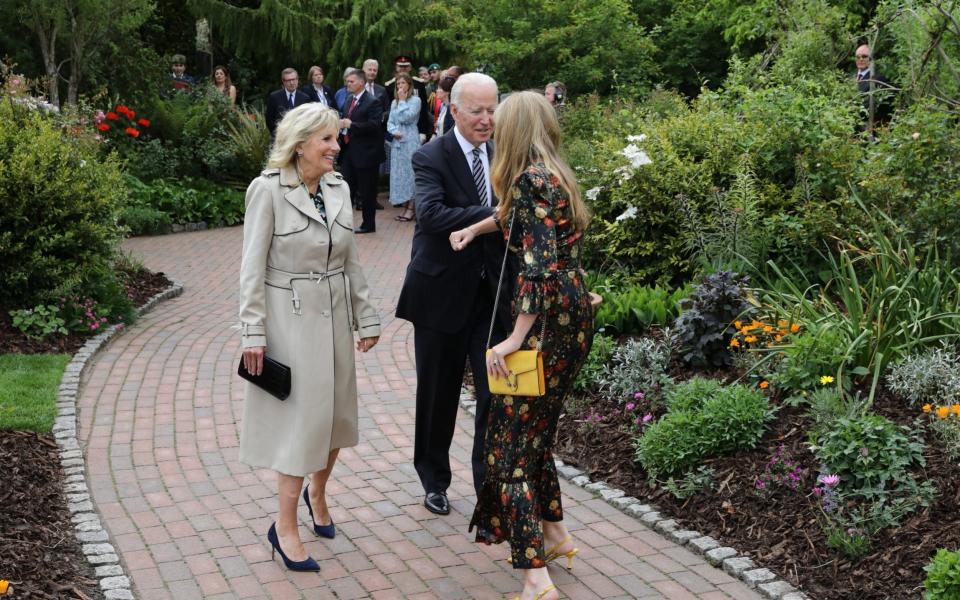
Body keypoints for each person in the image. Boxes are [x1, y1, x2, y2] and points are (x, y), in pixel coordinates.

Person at [448, 90, 593, 600]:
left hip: (545, 324)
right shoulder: (556, 176)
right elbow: (519, 223)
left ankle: (535, 578)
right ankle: (556, 536)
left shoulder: (528, 180)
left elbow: (534, 268)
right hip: (575, 317)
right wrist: (474, 228)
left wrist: (512, 339)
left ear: (512, 130)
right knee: (536, 436)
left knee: (506, 447)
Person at [238, 102, 381, 572]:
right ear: (299, 145)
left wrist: (367, 316)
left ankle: (317, 492)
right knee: (302, 423)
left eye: (335, 138)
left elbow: (351, 260)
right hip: (289, 319)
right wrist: (253, 332)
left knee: (337, 417)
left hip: (336, 315)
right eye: (326, 140)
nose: (336, 147)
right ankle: (284, 526)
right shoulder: (268, 190)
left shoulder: (337, 188)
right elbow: (250, 270)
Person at [395, 73, 512, 516]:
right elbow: (430, 215)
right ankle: (433, 479)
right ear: (455, 110)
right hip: (440, 293)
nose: (486, 120)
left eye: (492, 110)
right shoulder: (431, 156)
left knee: (493, 393)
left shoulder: (506, 154)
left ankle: (489, 484)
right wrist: (498, 212)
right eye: (477, 111)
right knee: (438, 393)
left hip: (490, 294)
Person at [339, 69, 385, 233]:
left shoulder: (373, 101)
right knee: (346, 189)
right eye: (347, 81)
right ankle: (344, 224)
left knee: (367, 192)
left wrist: (351, 125)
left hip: (367, 155)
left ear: (361, 82)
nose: (347, 84)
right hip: (349, 152)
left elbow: (374, 126)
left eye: (351, 81)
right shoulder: (349, 99)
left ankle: (368, 224)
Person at [387, 73, 421, 222]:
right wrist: (394, 132)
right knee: (400, 175)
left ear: (409, 85)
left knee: (410, 174)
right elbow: (390, 121)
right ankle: (405, 205)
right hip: (398, 143)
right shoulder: (394, 102)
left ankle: (411, 208)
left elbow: (407, 117)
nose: (400, 86)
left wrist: (402, 101)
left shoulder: (416, 100)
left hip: (411, 141)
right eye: (398, 84)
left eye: (403, 83)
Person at [854, 44, 894, 130]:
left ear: (871, 58)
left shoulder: (879, 79)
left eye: (864, 56)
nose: (860, 59)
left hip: (868, 128)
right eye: (858, 57)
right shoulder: (849, 77)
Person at [265, 68, 311, 137]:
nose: (292, 83)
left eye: (293, 79)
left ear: (297, 80)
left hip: (299, 138)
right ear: (283, 82)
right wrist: (277, 134)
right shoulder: (274, 97)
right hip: (280, 138)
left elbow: (308, 119)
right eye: (288, 80)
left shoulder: (305, 98)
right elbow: (269, 119)